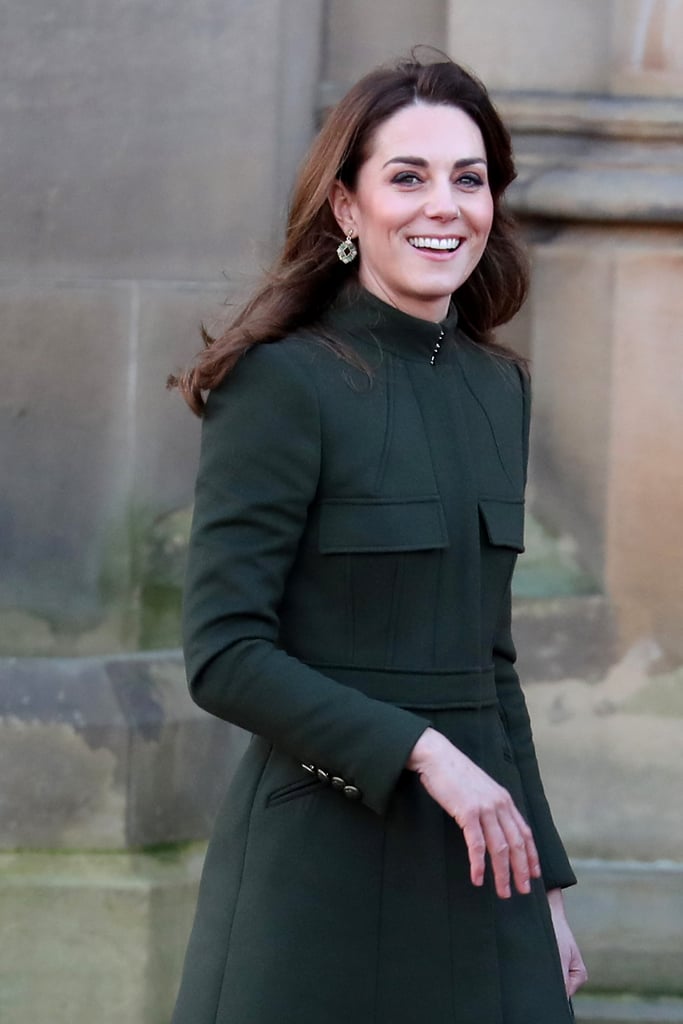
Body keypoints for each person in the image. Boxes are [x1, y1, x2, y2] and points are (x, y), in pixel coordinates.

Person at [169, 53, 587, 1024]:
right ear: (346, 209)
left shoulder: (499, 390)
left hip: (483, 873)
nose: (443, 206)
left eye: (468, 178)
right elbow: (224, 653)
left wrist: (548, 893)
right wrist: (424, 753)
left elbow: (492, 664)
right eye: (406, 176)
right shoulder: (281, 383)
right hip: (321, 874)